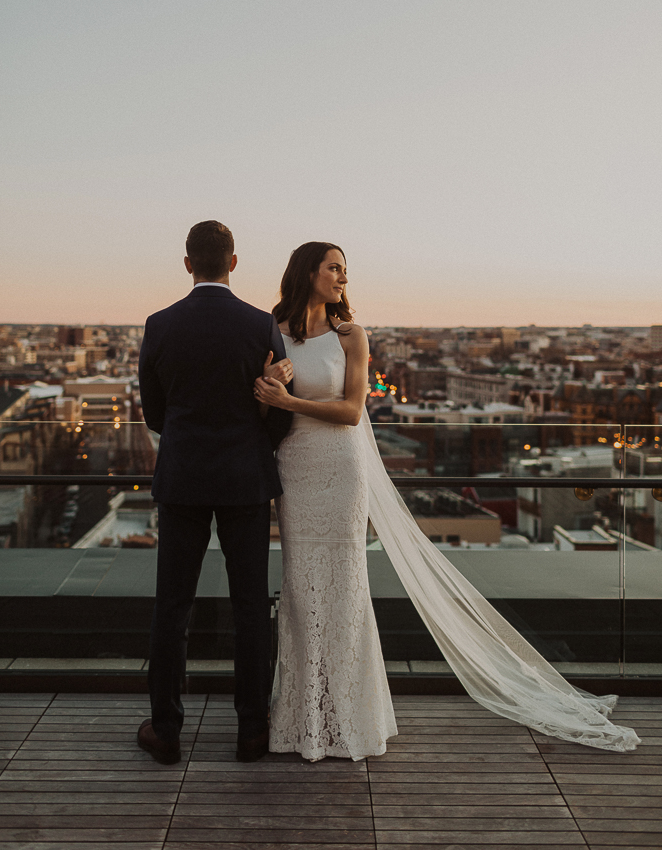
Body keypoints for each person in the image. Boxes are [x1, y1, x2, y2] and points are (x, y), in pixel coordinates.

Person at [254, 242, 640, 760]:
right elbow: (257, 406)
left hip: (341, 470)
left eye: (346, 270)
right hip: (296, 471)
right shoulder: (271, 334)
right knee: (300, 591)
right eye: (335, 268)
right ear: (308, 272)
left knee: (346, 587)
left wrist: (289, 398)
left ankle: (347, 720)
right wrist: (268, 387)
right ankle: (304, 719)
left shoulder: (352, 336)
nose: (344, 278)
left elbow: (350, 411)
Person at [138, 220, 293, 765]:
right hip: (244, 478)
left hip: (182, 476)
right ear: (233, 261)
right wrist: (255, 443)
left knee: (172, 607)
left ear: (187, 264)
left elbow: (154, 414)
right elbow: (278, 405)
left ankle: (166, 729)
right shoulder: (258, 325)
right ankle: (251, 730)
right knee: (251, 606)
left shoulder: (160, 325)